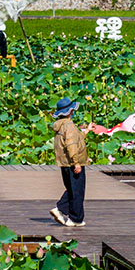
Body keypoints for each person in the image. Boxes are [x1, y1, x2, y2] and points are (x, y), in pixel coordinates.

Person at [49, 97, 88, 227]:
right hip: (72, 163)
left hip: (64, 163)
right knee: (77, 191)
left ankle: (72, 217)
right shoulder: (69, 125)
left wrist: (86, 131)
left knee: (72, 189)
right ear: (70, 111)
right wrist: (76, 162)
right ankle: (69, 215)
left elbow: (75, 138)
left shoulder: (60, 125)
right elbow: (71, 145)